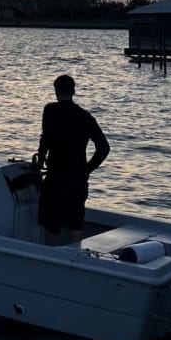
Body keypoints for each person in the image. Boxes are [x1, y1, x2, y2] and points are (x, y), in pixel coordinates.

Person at [34, 74, 110, 245]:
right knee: (75, 224)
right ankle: (75, 259)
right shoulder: (86, 117)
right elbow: (104, 148)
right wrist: (86, 169)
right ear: (73, 91)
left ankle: (52, 261)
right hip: (77, 179)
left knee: (50, 224)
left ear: (56, 91)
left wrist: (40, 160)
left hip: (55, 178)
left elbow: (45, 138)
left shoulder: (50, 110)